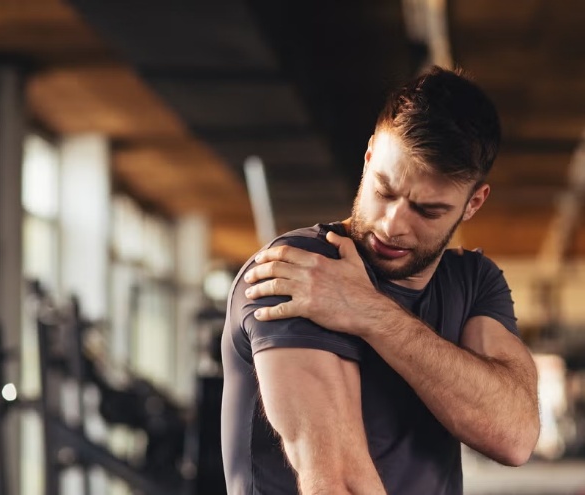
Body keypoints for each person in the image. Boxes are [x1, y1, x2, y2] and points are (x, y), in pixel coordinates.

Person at [221, 66, 540, 495]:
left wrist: (370, 312)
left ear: (473, 203)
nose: (393, 225)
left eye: (427, 211)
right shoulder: (302, 269)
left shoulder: (472, 281)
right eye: (385, 191)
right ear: (369, 157)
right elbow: (338, 483)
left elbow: (514, 435)